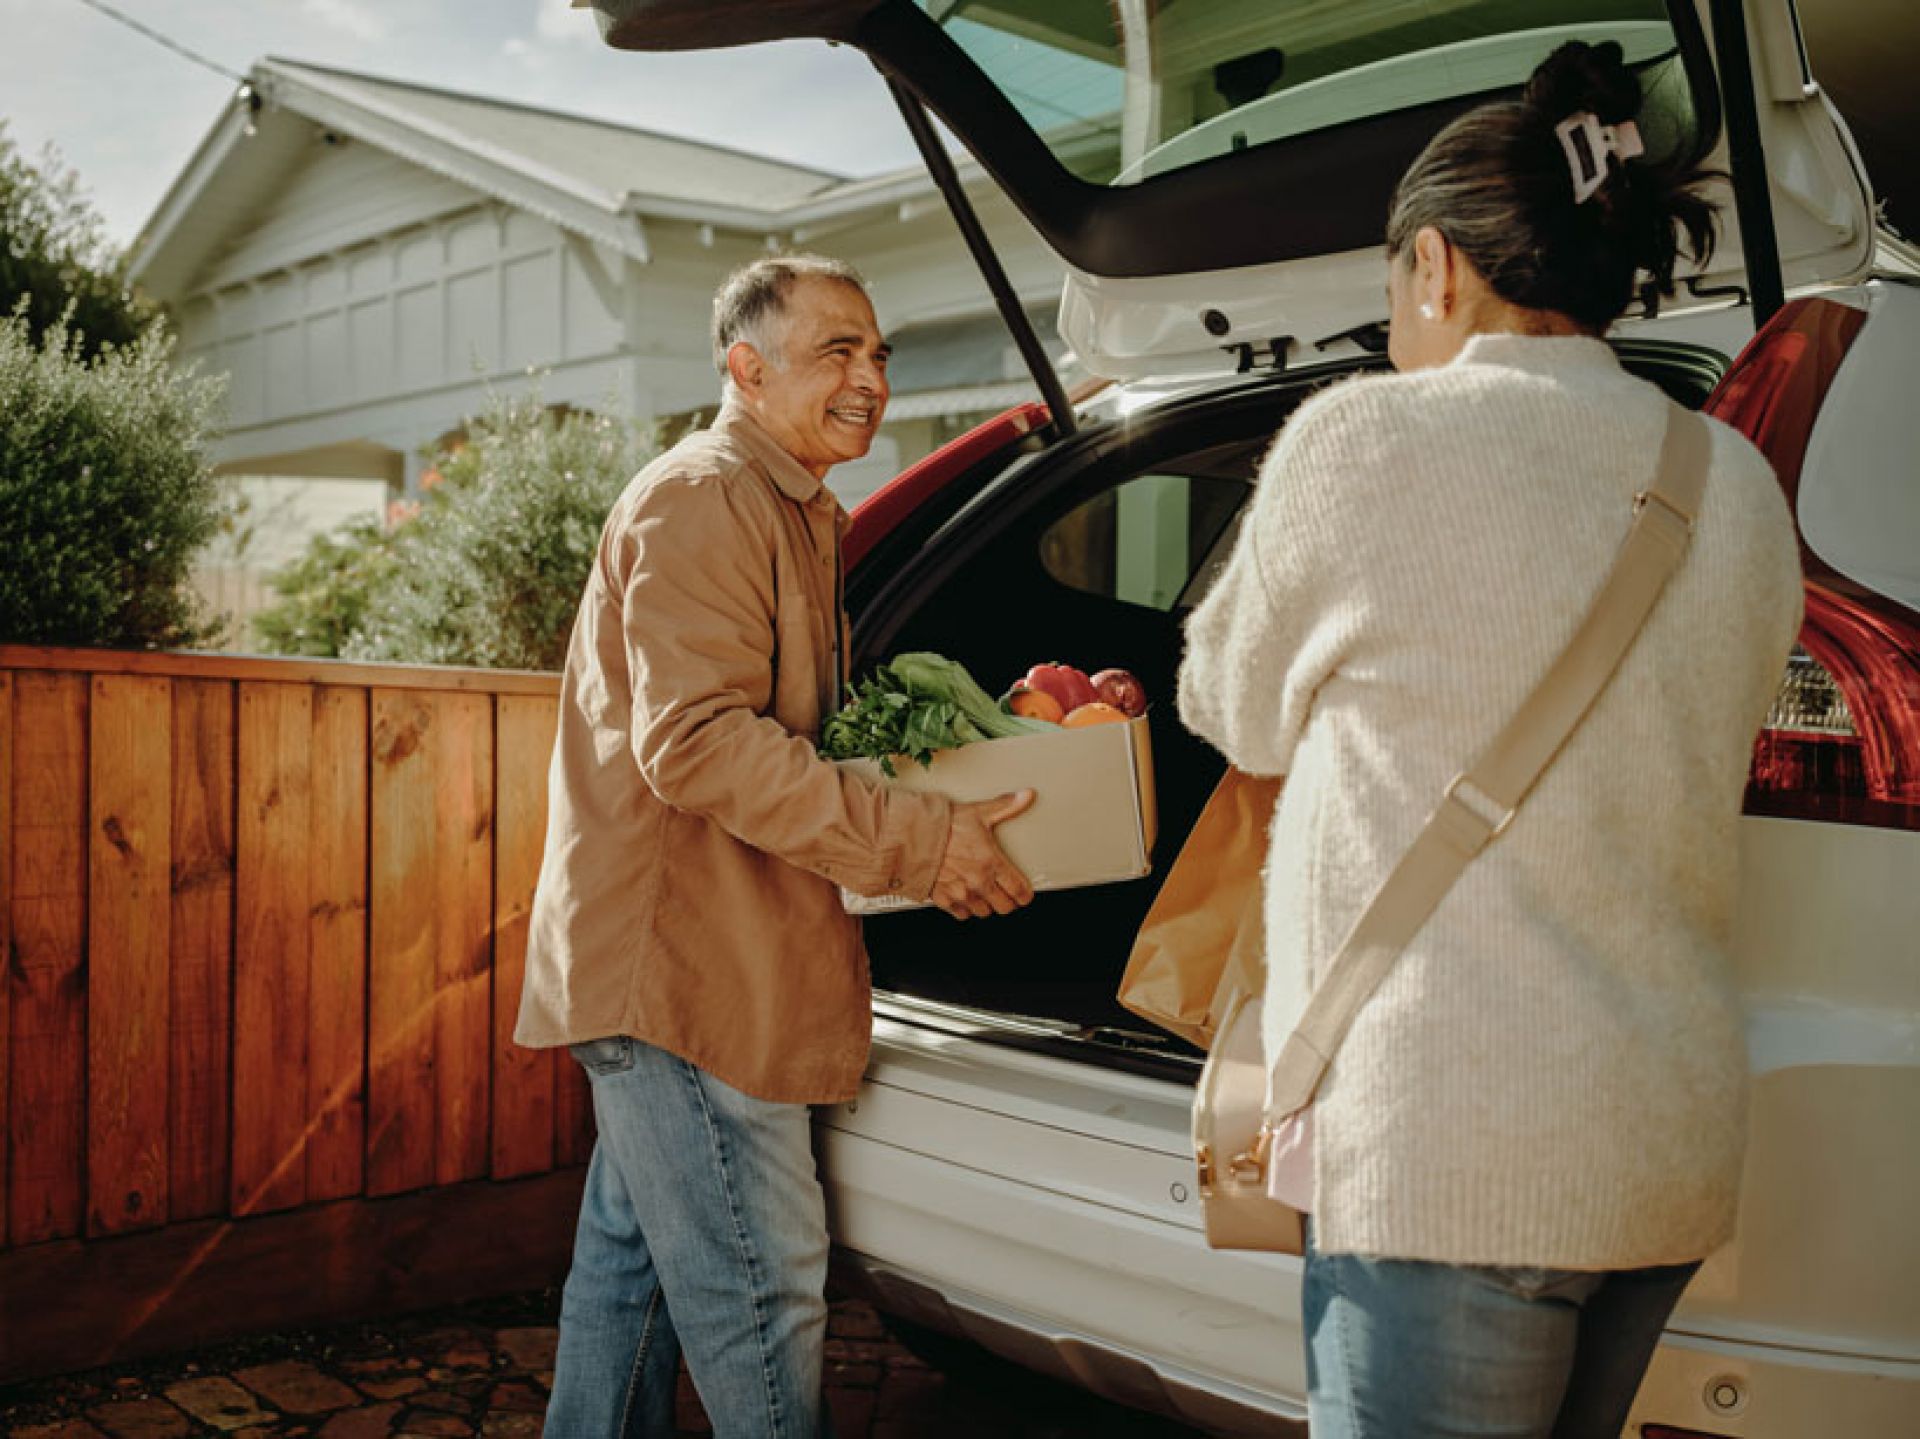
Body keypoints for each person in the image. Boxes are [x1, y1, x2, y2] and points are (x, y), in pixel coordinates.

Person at [1176, 42, 1803, 1438]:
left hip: (1452, 1149)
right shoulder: (1738, 483)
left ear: (1437, 266)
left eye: (1393, 284)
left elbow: (1229, 704)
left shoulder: (1362, 443)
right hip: (1662, 1141)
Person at [515, 253, 1035, 1438]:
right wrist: (917, 840)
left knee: (632, 1271)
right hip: (687, 968)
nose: (870, 377)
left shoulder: (788, 503)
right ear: (745, 369)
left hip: (693, 956)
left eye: (879, 352)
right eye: (835, 351)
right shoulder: (703, 495)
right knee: (762, 1285)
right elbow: (696, 743)